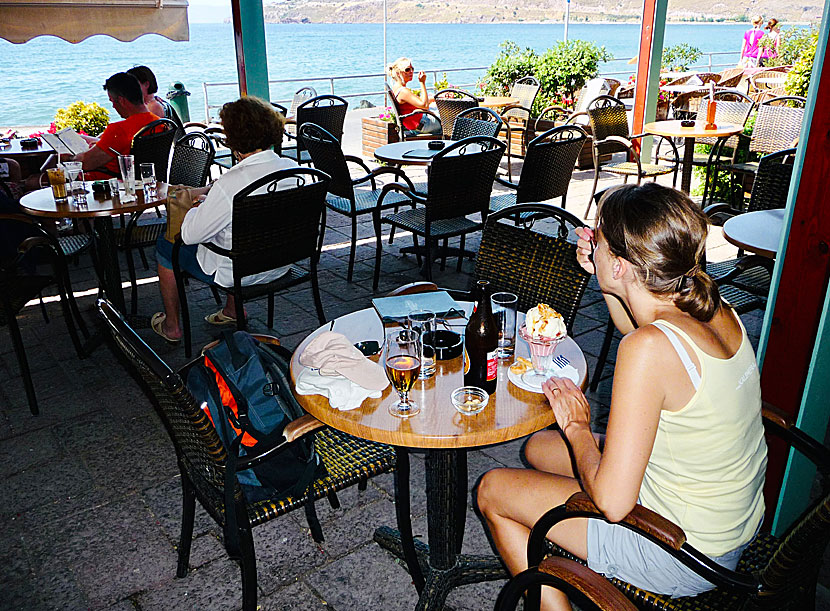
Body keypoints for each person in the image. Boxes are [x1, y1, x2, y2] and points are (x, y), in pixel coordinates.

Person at [476, 183, 767, 610]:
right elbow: (642, 333)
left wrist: (576, 427)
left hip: (682, 551)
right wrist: (606, 280)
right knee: (539, 448)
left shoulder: (648, 350)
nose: (589, 241)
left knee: (493, 490)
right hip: (728, 519)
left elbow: (613, 504)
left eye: (598, 238)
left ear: (624, 264)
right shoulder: (714, 308)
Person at [151, 96, 296, 343]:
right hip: (281, 263)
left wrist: (196, 206)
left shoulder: (232, 184)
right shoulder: (292, 168)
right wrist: (212, 194)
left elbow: (189, 235)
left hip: (239, 271)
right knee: (237, 232)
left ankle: (172, 326)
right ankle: (231, 310)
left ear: (232, 138)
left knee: (166, 247)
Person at [73, 72, 159, 179]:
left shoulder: (119, 130)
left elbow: (86, 163)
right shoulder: (160, 123)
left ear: (121, 101)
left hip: (113, 182)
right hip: (146, 179)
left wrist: (72, 157)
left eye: (112, 101)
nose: (113, 106)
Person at [387, 57, 441, 137]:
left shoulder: (396, 88)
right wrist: (422, 82)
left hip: (418, 124)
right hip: (424, 125)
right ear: (398, 73)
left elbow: (418, 102)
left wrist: (437, 98)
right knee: (452, 116)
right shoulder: (403, 91)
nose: (411, 72)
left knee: (439, 108)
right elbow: (424, 105)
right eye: (407, 70)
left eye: (412, 69)